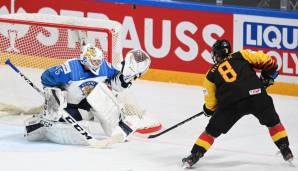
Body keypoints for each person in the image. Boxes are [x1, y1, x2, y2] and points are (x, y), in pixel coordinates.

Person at [182, 39, 294, 168]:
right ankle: (286, 150)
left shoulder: (210, 74)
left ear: (216, 55)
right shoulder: (242, 55)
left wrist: (208, 110)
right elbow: (269, 61)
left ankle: (194, 156)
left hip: (231, 104)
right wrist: (267, 77)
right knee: (273, 123)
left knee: (210, 132)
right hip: (257, 95)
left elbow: (211, 103)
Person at [24, 43, 153, 145]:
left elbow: (116, 85)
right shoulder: (70, 69)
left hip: (87, 99)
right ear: (85, 60)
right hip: (68, 102)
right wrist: (55, 95)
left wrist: (126, 77)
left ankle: (117, 128)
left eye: (99, 60)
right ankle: (39, 124)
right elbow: (46, 78)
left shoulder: (103, 67)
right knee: (71, 129)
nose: (98, 64)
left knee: (105, 100)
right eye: (94, 61)